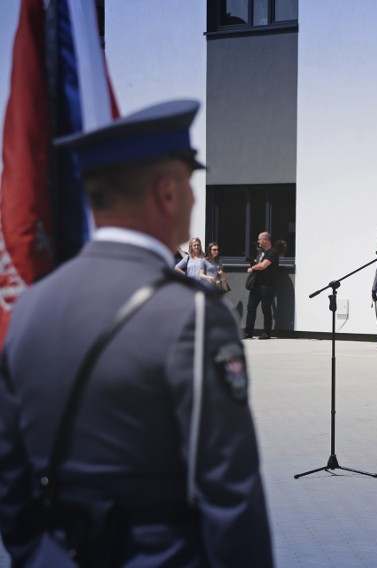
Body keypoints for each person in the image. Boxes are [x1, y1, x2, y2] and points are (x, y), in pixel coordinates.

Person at [0, 100, 274, 566]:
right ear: (166, 193)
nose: (192, 199)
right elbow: (228, 489)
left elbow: (9, 470)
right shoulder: (191, 314)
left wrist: (39, 555)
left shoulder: (29, 307)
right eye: (189, 184)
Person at [245, 231, 279, 340]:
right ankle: (248, 332)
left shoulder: (273, 252)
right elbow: (257, 262)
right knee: (251, 307)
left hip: (266, 285)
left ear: (265, 240)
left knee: (265, 309)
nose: (258, 242)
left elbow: (263, 265)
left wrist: (253, 268)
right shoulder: (261, 252)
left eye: (259, 239)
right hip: (256, 285)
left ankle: (266, 333)